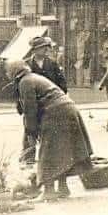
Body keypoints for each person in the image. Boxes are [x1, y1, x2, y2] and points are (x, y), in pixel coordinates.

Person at [6, 60, 93, 201]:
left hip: (55, 112)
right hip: (68, 109)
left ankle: (49, 191)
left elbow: (30, 110)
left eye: (7, 71)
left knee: (48, 152)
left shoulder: (25, 82)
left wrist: (31, 133)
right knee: (63, 151)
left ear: (13, 72)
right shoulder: (34, 77)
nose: (6, 74)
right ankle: (63, 188)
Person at [19, 37, 68, 165]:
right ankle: (28, 159)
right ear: (34, 50)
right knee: (29, 130)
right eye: (43, 47)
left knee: (50, 132)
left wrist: (58, 98)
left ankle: (49, 160)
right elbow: (19, 86)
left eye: (47, 47)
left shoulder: (52, 64)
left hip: (50, 105)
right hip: (32, 104)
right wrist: (20, 105)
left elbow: (62, 83)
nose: (46, 49)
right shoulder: (25, 65)